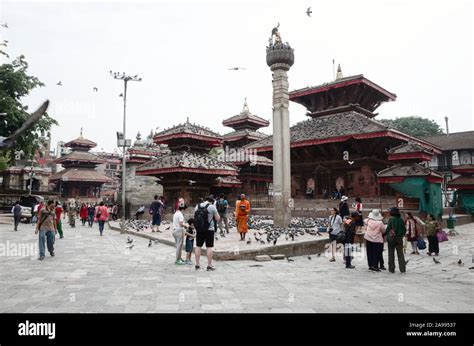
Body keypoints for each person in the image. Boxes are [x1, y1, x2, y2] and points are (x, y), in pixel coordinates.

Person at [194, 195, 220, 271]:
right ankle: (209, 265)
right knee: (209, 247)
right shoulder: (212, 206)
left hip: (199, 229)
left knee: (198, 246)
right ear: (212, 201)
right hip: (209, 229)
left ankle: (197, 264)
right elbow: (218, 218)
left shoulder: (197, 206)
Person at [385, 207, 406, 274]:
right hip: (399, 238)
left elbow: (388, 228)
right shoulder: (401, 220)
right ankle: (402, 269)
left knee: (391, 253)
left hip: (392, 238)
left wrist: (385, 234)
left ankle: (391, 269)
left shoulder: (391, 219)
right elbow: (404, 230)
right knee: (400, 254)